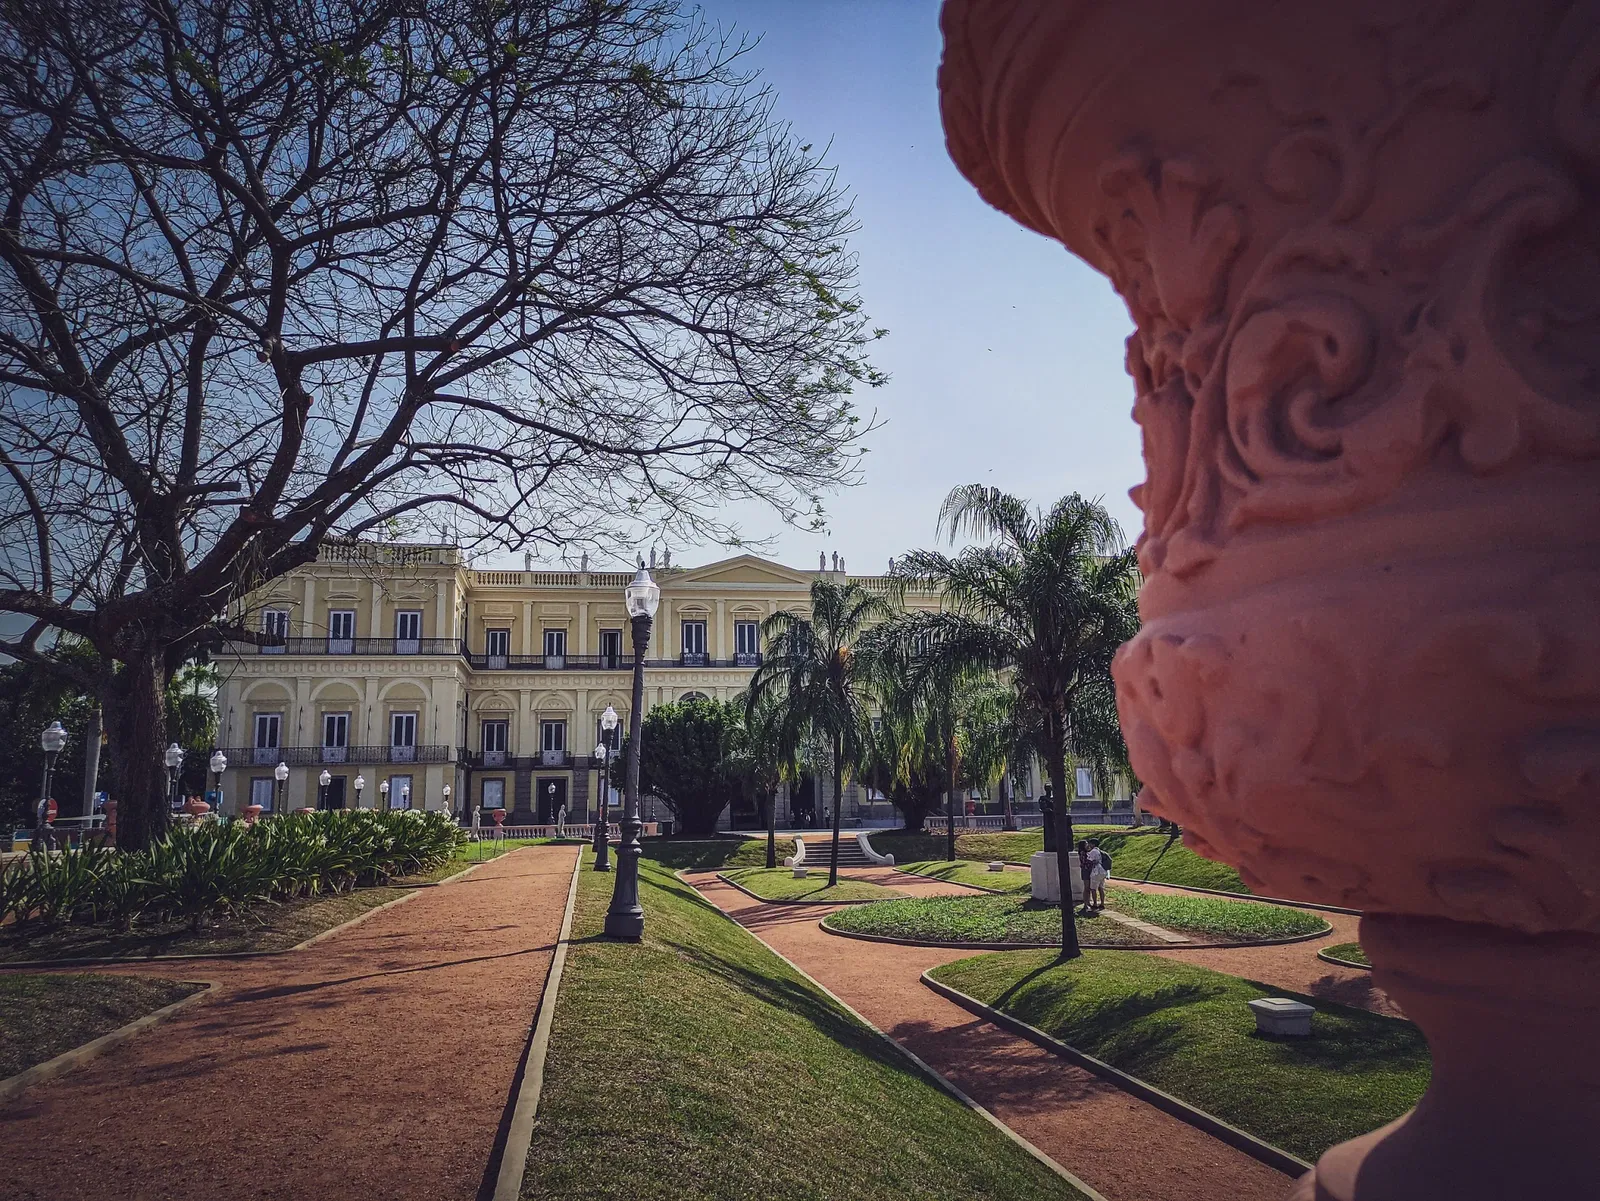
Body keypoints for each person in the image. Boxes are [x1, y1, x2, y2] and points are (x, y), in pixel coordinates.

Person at [1087, 837, 1109, 909]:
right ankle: (1102, 903)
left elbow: (1089, 860)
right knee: (1101, 888)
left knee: (1093, 888)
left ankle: (1095, 903)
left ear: (1093, 844)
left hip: (1096, 871)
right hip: (1102, 871)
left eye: (1090, 843)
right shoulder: (1099, 851)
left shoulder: (1093, 851)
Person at [1076, 839, 1094, 915]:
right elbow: (1085, 862)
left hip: (1088, 871)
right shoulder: (1083, 853)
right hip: (1086, 871)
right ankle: (1086, 903)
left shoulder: (1087, 852)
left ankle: (1088, 902)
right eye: (1086, 844)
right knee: (1086, 887)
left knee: (1089, 887)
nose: (1088, 845)